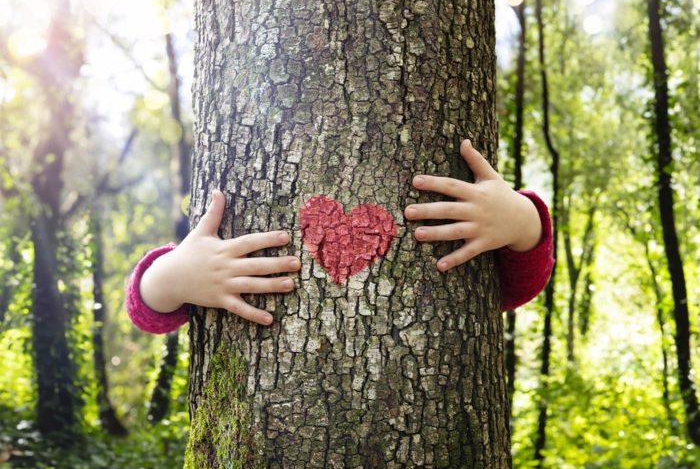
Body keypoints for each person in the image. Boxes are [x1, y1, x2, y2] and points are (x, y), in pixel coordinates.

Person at [125, 139, 554, 334]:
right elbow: (146, 308)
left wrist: (520, 218)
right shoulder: (209, 266)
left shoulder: (477, 233)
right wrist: (174, 276)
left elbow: (517, 286)